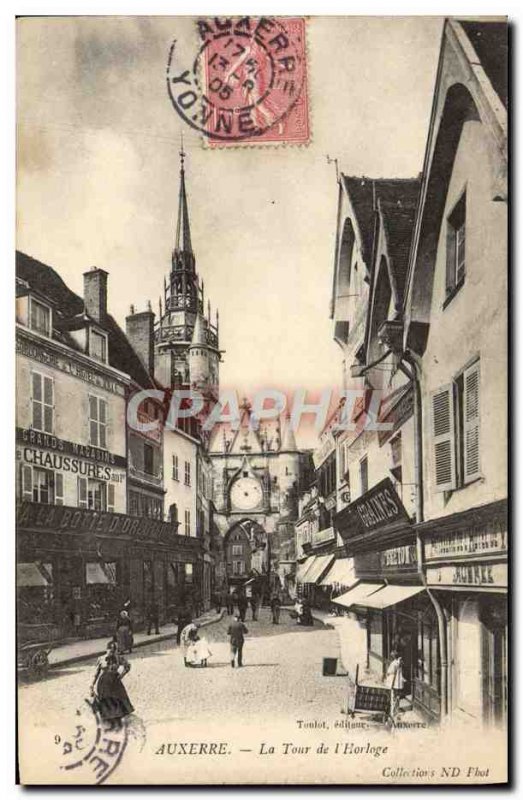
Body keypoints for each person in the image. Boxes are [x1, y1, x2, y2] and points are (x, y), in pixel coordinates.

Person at [90, 640, 133, 721]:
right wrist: (92, 685)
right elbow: (96, 673)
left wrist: (121, 676)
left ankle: (117, 717)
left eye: (114, 650)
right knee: (106, 699)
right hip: (104, 683)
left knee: (118, 699)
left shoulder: (118, 658)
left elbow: (127, 666)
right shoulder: (101, 659)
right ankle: (108, 718)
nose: (112, 652)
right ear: (107, 649)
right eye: (111, 650)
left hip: (115, 682)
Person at [386, 650, 405, 714]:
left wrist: (387, 674)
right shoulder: (400, 662)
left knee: (394, 695)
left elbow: (390, 671)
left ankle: (394, 708)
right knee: (398, 695)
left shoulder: (393, 663)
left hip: (394, 681)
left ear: (393, 656)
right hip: (399, 680)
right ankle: (397, 708)